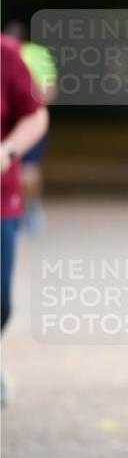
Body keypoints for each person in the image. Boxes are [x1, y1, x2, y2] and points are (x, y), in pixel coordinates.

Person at [1, 34, 49, 404]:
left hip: (2, 199)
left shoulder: (6, 53)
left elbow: (35, 114)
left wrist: (9, 149)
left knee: (2, 302)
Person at [2, 20, 58, 236]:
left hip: (22, 120)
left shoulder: (9, 52)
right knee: (30, 170)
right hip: (28, 117)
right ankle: (30, 208)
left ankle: (27, 209)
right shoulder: (36, 53)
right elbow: (50, 88)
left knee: (27, 171)